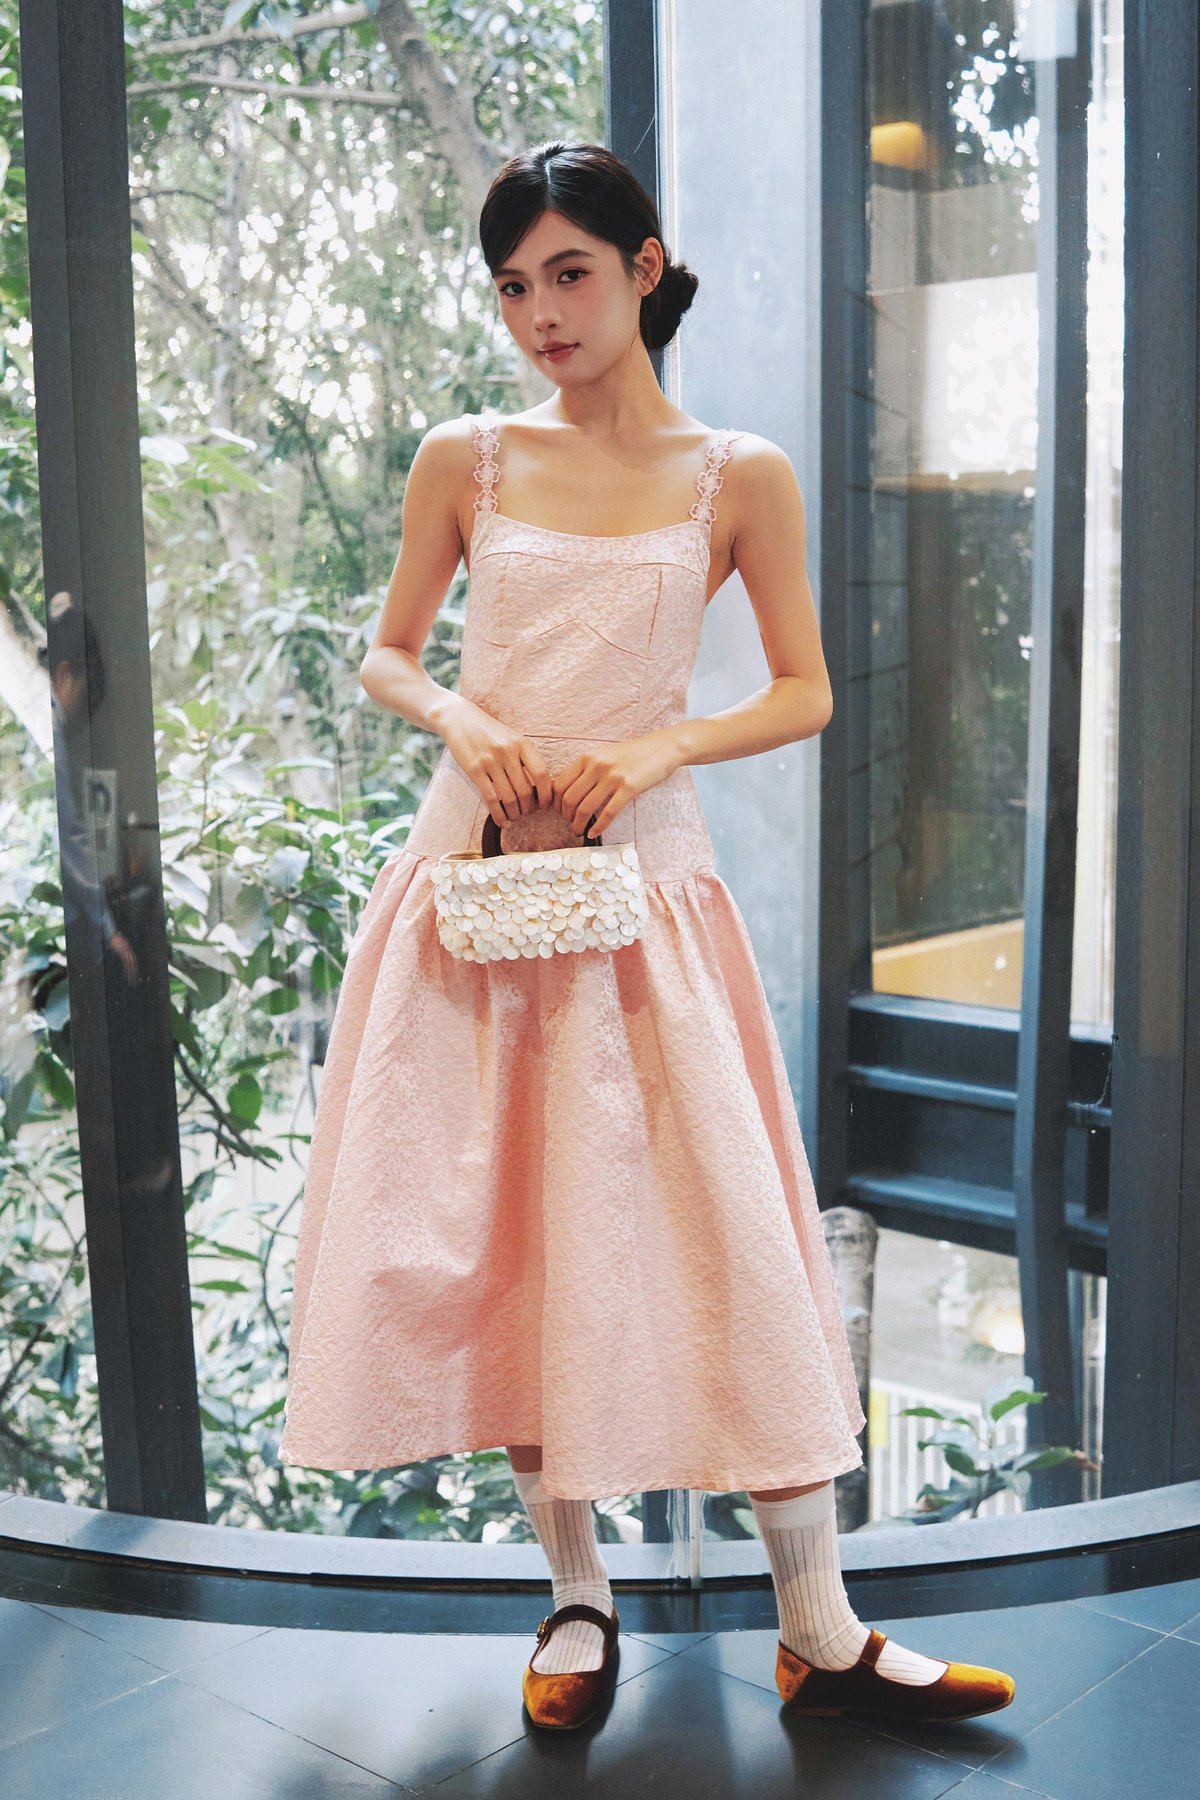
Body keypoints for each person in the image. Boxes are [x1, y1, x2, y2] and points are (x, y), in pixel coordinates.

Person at [277, 139, 1015, 1733]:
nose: (541, 313)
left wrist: (657, 744)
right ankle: (576, 1598)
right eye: (513, 286)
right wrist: (467, 720)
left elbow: (805, 689)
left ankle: (819, 1626)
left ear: (645, 268)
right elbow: (388, 656)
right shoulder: (465, 458)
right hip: (476, 891)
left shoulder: (737, 473)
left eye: (570, 274)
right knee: (524, 1245)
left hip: (648, 896)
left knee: (726, 1237)